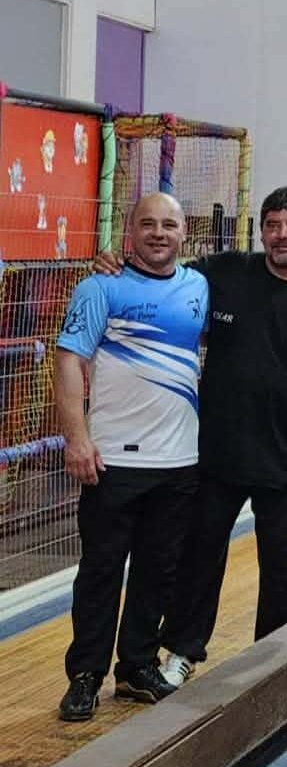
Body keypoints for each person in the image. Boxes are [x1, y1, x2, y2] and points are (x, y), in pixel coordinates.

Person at [95, 186, 287, 687]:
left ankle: (274, 662)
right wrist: (119, 262)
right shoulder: (223, 274)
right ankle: (181, 649)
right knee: (195, 560)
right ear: (261, 230)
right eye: (273, 224)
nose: (283, 235)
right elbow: (162, 271)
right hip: (215, 454)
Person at [55, 193, 207, 720]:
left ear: (185, 233)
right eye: (148, 224)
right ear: (129, 231)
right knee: (100, 571)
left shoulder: (199, 286)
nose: (159, 233)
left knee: (157, 570)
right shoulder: (100, 286)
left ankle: (136, 666)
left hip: (179, 461)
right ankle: (85, 675)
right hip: (112, 460)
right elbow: (70, 362)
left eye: (169, 224)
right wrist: (77, 439)